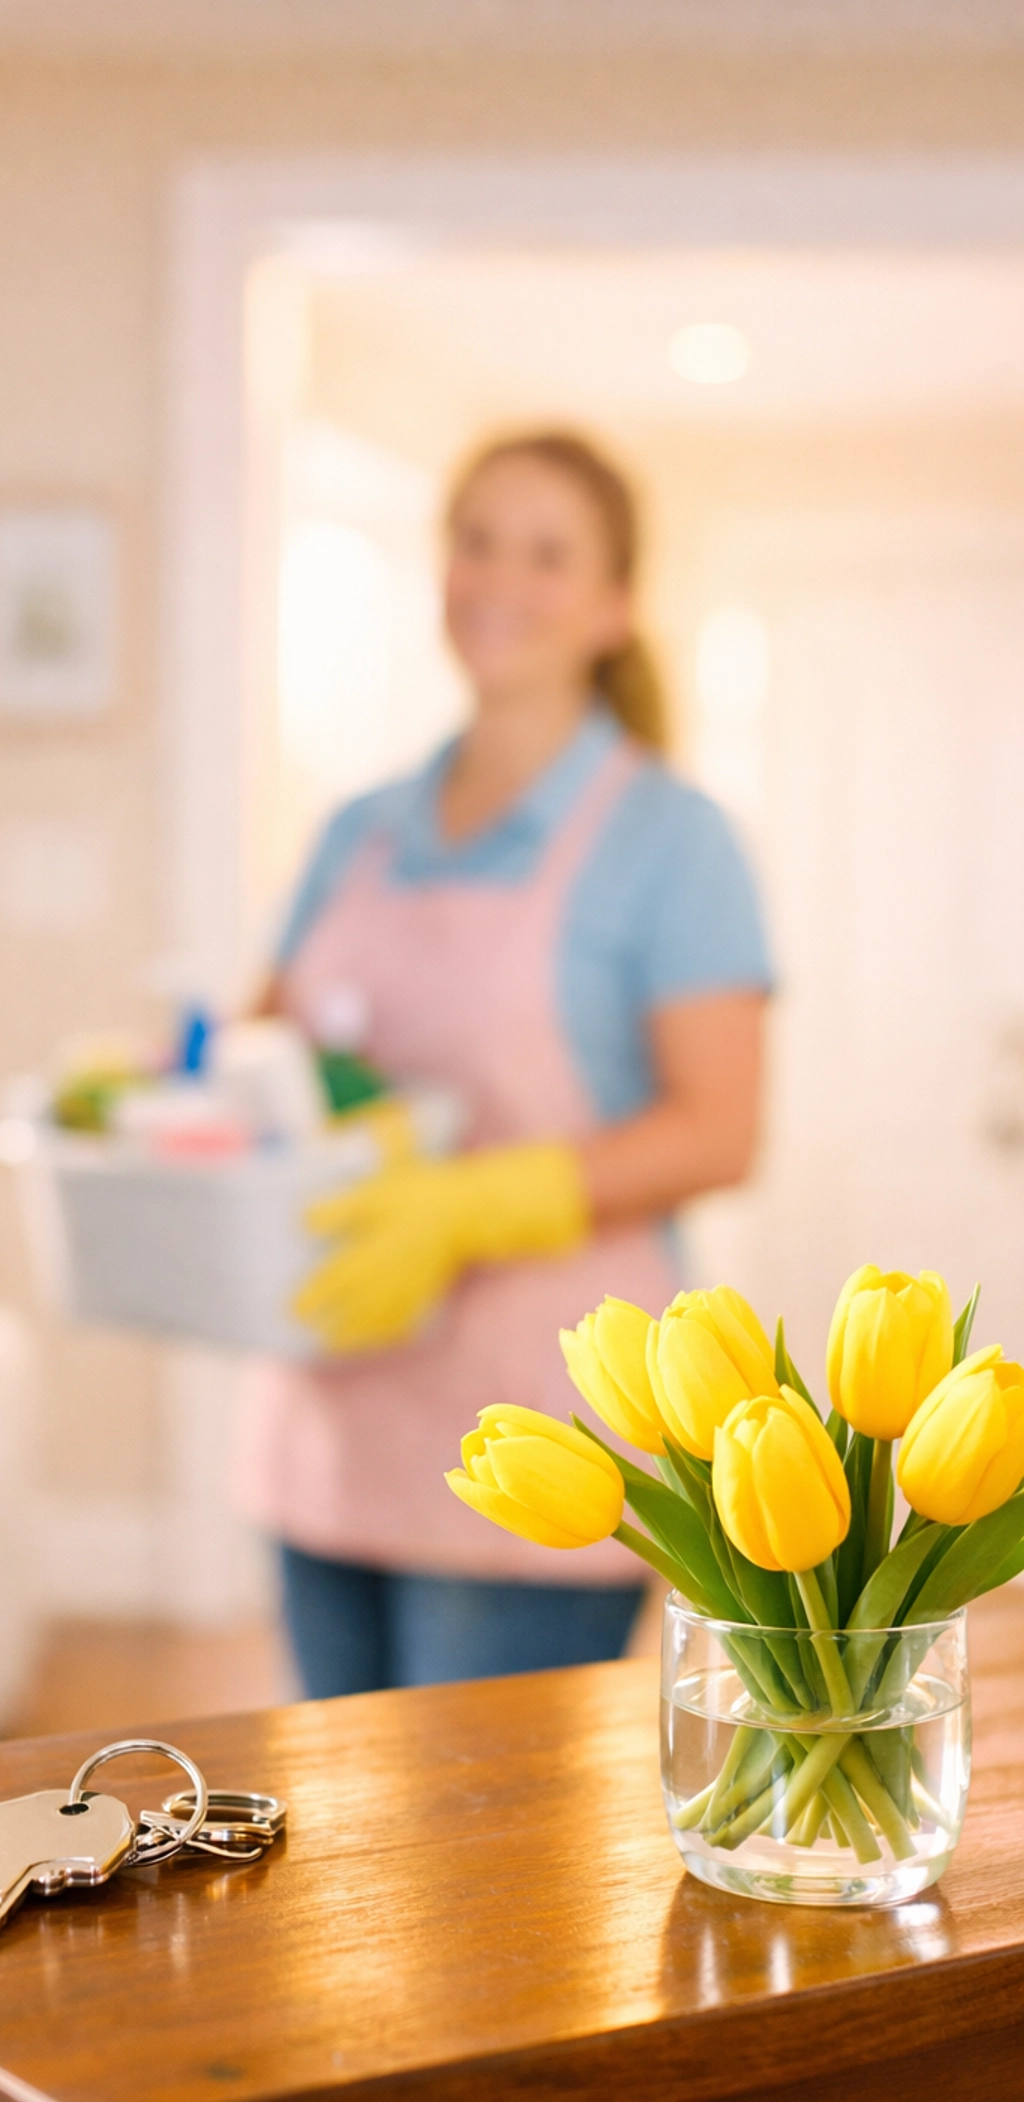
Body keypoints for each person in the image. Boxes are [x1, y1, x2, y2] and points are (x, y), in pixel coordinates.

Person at [233, 429, 772, 1699]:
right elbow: (272, 1054)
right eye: (475, 541)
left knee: (481, 1862)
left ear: (612, 605)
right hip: (334, 1405)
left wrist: (469, 1204)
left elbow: (721, 1130)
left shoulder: (675, 843)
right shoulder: (359, 830)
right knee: (343, 1838)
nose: (498, 580)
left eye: (547, 552)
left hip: (547, 1413)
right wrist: (186, 1087)